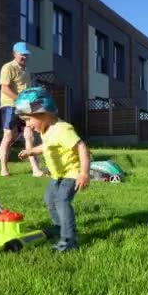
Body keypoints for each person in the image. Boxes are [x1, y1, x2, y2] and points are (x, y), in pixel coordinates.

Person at [16, 87, 90, 251]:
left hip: (72, 173)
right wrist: (31, 151)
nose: (27, 125)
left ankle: (69, 239)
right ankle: (59, 227)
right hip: (58, 175)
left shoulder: (63, 129)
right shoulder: (46, 129)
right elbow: (47, 146)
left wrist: (84, 173)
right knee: (49, 199)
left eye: (29, 120)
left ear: (44, 113)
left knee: (61, 200)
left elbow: (82, 148)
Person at [0, 42, 43, 177]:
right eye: (22, 54)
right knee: (8, 137)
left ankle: (35, 170)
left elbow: (27, 91)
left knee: (30, 135)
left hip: (25, 107)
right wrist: (19, 101)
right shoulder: (8, 67)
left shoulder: (26, 71)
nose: (24, 57)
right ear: (14, 54)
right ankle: (4, 169)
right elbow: (4, 88)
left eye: (26, 55)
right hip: (10, 105)